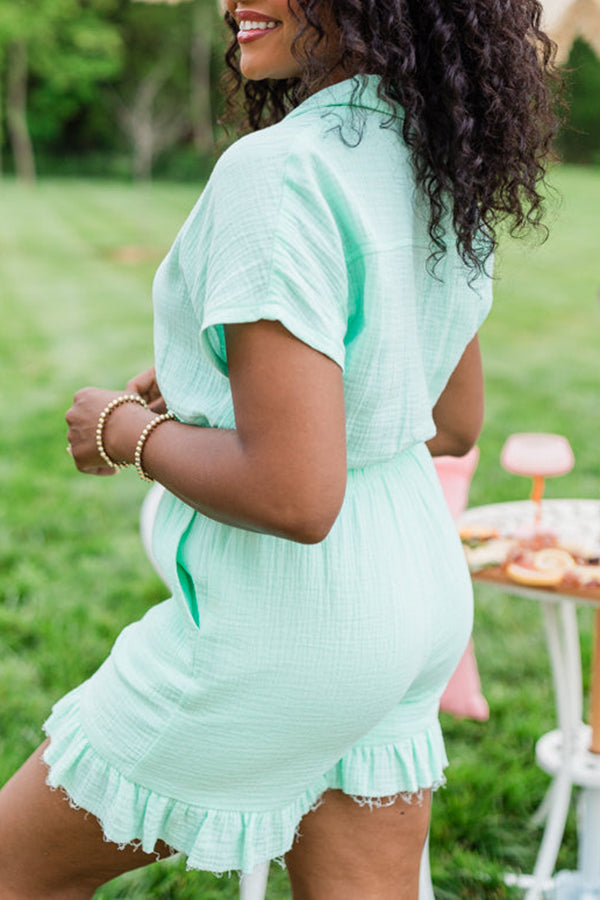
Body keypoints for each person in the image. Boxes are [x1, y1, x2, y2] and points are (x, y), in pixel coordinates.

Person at [0, 1, 560, 898]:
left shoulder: (277, 169)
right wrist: (225, 385)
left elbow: (296, 493)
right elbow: (448, 420)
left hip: (284, 626)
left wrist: (124, 431)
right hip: (414, 600)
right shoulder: (440, 157)